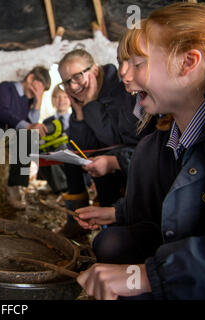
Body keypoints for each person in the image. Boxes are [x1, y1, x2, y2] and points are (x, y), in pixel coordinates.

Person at [75, 2, 205, 299]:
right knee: (109, 244)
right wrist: (117, 212)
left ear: (188, 63)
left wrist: (145, 276)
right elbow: (173, 205)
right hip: (180, 259)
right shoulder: (163, 139)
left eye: (138, 63)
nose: (126, 75)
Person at [57, 48, 156, 238]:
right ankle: (77, 219)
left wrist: (91, 103)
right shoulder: (83, 97)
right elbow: (82, 146)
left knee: (101, 161)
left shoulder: (122, 89)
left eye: (77, 77)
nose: (73, 86)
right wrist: (79, 112)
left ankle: (113, 225)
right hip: (119, 152)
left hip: (136, 155)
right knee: (70, 157)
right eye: (66, 82)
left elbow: (113, 140)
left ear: (94, 71)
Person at [0, 66, 50, 209]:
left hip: (10, 136)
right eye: (35, 91)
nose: (35, 94)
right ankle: (12, 187)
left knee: (28, 137)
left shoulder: (28, 100)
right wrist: (29, 126)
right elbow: (2, 113)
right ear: (30, 78)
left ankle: (15, 184)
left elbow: (30, 123)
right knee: (26, 133)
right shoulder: (5, 88)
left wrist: (38, 102)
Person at [37, 85, 71, 194]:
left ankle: (64, 185)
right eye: (57, 97)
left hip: (69, 157)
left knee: (62, 149)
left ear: (71, 99)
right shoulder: (47, 121)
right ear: (52, 100)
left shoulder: (75, 119)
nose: (61, 100)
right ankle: (54, 183)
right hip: (52, 158)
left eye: (65, 97)